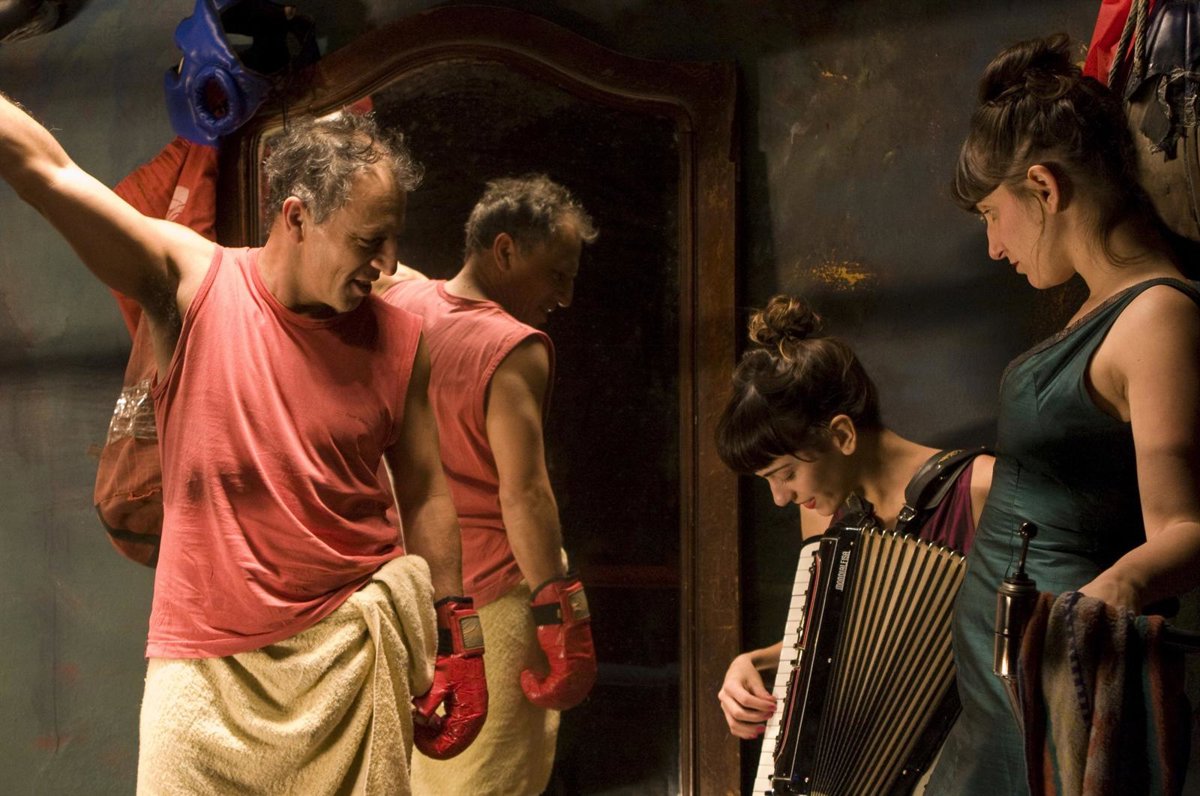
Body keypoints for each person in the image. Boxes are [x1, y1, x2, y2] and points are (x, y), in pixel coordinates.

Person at [0, 95, 488, 794]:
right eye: (368, 241)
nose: (386, 264)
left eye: (393, 239)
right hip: (205, 675)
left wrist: (458, 632)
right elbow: (48, 172)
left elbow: (426, 489)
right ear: (297, 217)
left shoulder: (402, 340)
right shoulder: (191, 283)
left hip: (349, 666)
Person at [925, 33, 1200, 794]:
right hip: (1004, 694)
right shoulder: (1099, 309)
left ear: (1043, 188)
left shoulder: (1158, 317)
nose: (993, 246)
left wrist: (1111, 593)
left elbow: (1186, 527)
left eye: (992, 214)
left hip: (1057, 695)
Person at [377, 174, 600, 795]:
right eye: (557, 274)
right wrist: (563, 616)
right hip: (495, 604)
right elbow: (524, 494)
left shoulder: (400, 304)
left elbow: (416, 288)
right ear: (504, 250)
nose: (565, 296)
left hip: (409, 601)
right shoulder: (514, 348)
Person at [714, 294, 994, 740]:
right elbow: (831, 641)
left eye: (785, 474)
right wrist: (752, 662)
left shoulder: (983, 489)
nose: (781, 499)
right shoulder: (824, 514)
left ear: (842, 434)